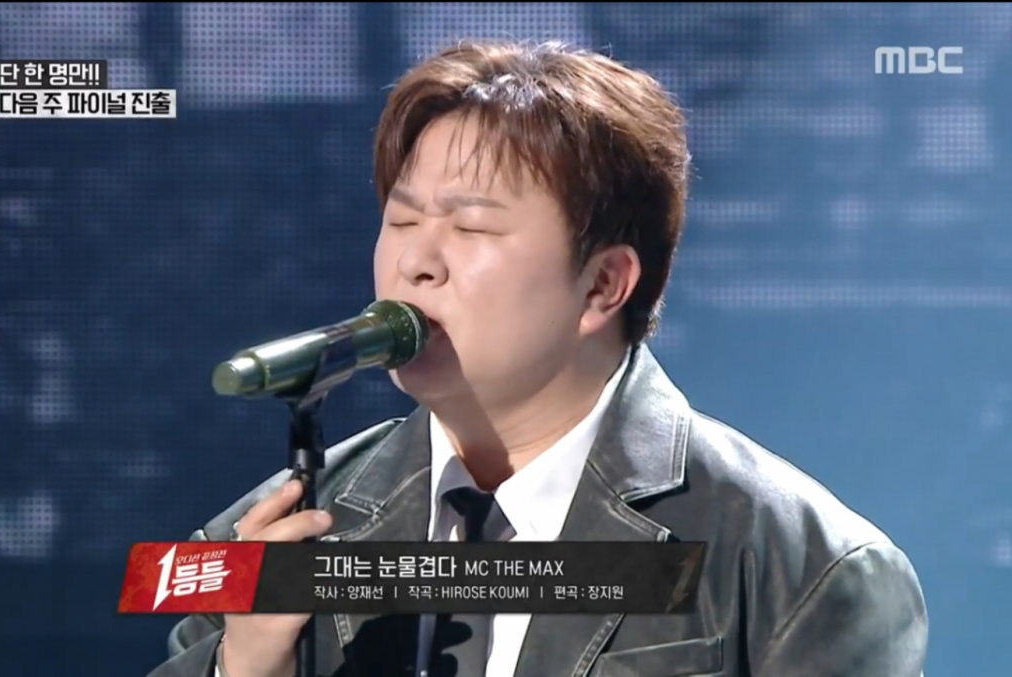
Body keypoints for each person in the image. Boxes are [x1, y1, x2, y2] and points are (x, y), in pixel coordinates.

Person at [148, 40, 928, 677]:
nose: (415, 263)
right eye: (402, 220)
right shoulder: (260, 540)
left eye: (471, 228)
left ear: (603, 284)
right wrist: (247, 666)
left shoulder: (798, 567)